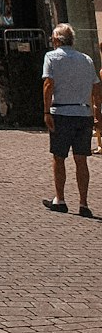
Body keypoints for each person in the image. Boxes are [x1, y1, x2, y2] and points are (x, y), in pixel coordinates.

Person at [42, 23, 102, 216]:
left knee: (58, 158)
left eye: (53, 38)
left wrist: (46, 112)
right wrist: (96, 111)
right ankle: (83, 203)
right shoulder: (86, 59)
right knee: (81, 160)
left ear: (57, 40)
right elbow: (96, 87)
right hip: (83, 114)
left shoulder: (51, 57)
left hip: (61, 113)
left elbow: (48, 85)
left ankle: (60, 199)